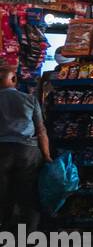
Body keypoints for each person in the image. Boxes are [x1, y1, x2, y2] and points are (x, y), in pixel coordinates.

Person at [0, 63, 51, 231]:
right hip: (27, 151)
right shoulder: (29, 99)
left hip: (2, 151)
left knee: (3, 194)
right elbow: (41, 130)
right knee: (27, 193)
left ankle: (5, 229)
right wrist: (47, 156)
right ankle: (29, 234)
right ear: (14, 79)